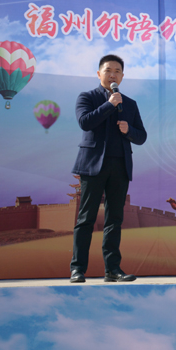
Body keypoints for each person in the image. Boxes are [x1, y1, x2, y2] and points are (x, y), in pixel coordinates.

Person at [69, 54, 147, 283]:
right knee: (86, 218)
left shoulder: (129, 103)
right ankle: (77, 269)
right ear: (99, 73)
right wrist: (109, 104)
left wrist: (128, 130)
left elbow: (141, 136)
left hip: (120, 166)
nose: (113, 75)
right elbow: (85, 122)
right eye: (108, 70)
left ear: (122, 76)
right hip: (93, 165)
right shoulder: (87, 97)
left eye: (117, 71)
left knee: (114, 219)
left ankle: (112, 269)